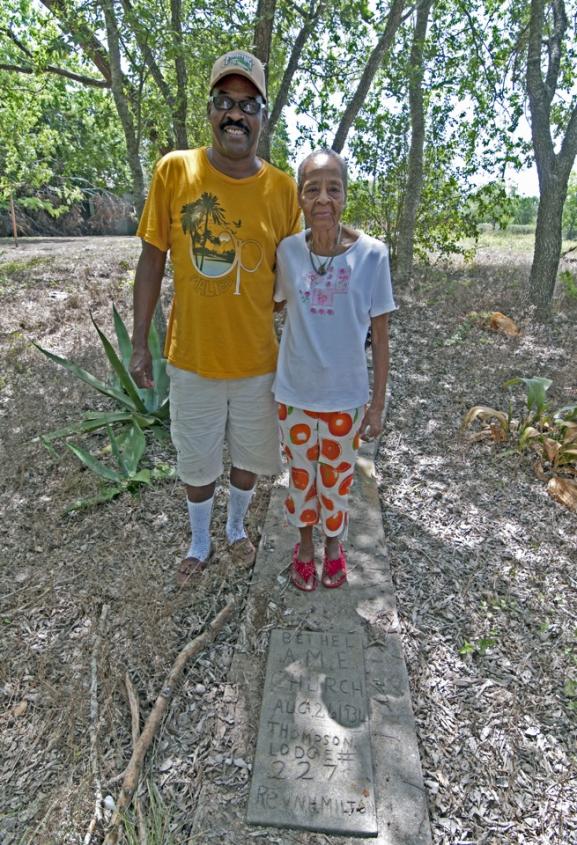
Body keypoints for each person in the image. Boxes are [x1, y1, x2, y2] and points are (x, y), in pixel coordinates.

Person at [130, 50, 301, 586]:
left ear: (262, 117)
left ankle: (234, 529)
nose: (235, 114)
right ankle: (200, 540)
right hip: (194, 359)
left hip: (257, 362)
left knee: (249, 456)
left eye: (247, 104)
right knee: (197, 462)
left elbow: (298, 276)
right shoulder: (175, 170)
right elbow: (152, 258)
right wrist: (139, 344)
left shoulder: (283, 190)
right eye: (225, 101)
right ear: (210, 111)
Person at [273, 148, 396, 591]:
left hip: (346, 397)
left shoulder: (372, 256)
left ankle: (333, 546)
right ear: (300, 199)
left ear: (344, 195)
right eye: (312, 189)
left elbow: (380, 337)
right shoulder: (287, 251)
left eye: (333, 188)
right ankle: (304, 547)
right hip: (295, 394)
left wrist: (377, 406)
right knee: (301, 478)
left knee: (336, 479)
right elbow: (269, 305)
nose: (323, 198)